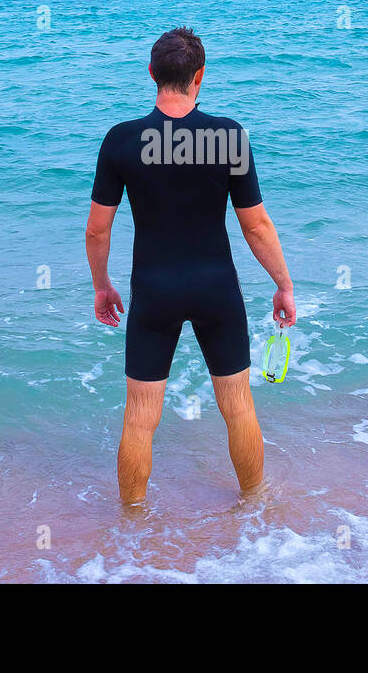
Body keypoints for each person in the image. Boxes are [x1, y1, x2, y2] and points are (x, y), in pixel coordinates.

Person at [85, 26, 296, 505]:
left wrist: (102, 285)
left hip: (154, 290)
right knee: (238, 407)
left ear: (152, 74)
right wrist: (282, 284)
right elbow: (256, 226)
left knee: (140, 416)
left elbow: (97, 229)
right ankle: (255, 508)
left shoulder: (121, 140)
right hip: (215, 287)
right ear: (200, 76)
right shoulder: (228, 137)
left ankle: (132, 527)